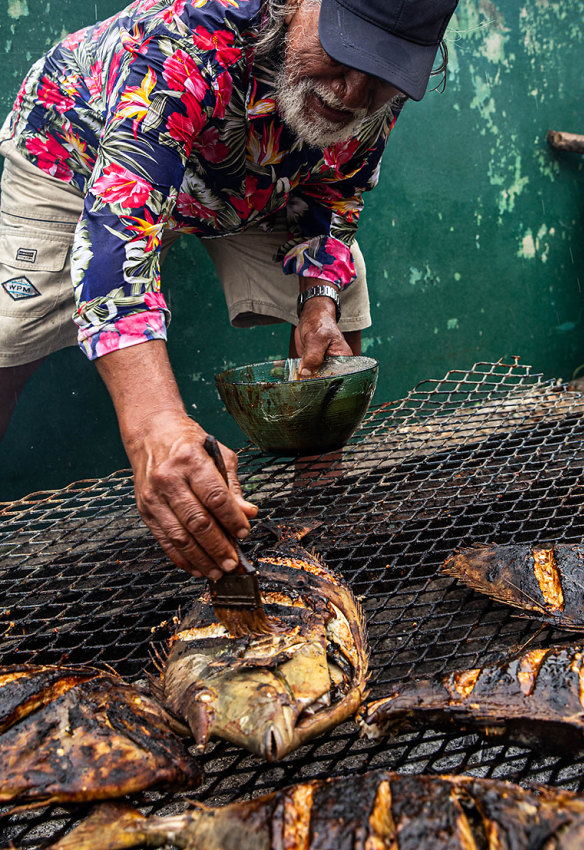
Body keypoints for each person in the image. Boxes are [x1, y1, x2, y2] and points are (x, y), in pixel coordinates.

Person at [0, 0, 458, 579]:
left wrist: (318, 303)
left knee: (345, 295)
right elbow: (120, 234)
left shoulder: (378, 93)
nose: (353, 92)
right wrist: (156, 426)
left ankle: (316, 517)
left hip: (244, 179)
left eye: (385, 70)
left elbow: (338, 193)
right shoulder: (189, 38)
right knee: (9, 331)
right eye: (345, 52)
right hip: (78, 148)